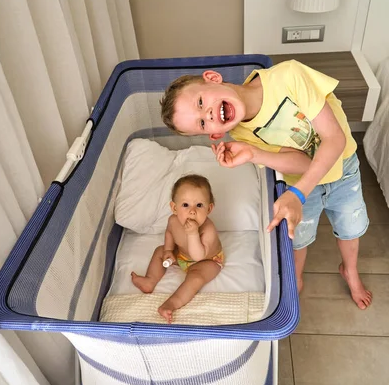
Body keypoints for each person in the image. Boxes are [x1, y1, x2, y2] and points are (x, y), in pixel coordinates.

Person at [159, 60, 372, 309]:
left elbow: (335, 139)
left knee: (350, 230)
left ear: (213, 78)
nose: (206, 115)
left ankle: (350, 270)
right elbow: (303, 164)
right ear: (215, 135)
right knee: (298, 239)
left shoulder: (288, 75)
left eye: (200, 103)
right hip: (300, 185)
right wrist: (253, 154)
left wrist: (298, 194)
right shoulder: (241, 133)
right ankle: (296, 279)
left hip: (341, 170)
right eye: (202, 123)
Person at [131, 174, 224, 323]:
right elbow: (170, 233)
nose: (192, 211)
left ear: (209, 208)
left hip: (207, 261)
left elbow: (198, 256)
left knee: (196, 278)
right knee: (159, 251)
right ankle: (150, 280)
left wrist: (193, 233)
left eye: (199, 205)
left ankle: (172, 304)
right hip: (182, 256)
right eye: (185, 205)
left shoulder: (208, 230)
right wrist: (168, 250)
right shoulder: (173, 221)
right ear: (174, 208)